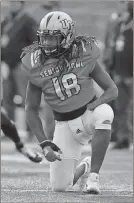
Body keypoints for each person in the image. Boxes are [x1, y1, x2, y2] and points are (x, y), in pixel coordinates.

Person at [21, 11, 118, 194]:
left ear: (67, 37)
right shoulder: (36, 63)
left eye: (52, 38)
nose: (46, 44)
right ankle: (85, 167)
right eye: (43, 38)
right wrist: (44, 143)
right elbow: (30, 108)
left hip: (88, 115)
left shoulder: (83, 53)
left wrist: (95, 104)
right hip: (64, 124)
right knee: (60, 187)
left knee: (105, 113)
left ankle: (93, 177)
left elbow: (112, 90)